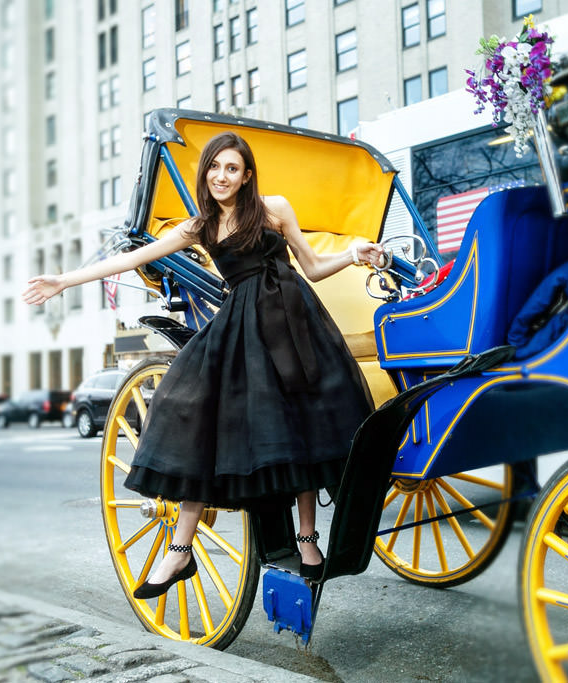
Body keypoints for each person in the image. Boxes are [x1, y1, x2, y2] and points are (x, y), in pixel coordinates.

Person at [23, 131, 384, 598]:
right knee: (201, 418)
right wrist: (64, 280)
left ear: (247, 175)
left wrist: (354, 254)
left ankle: (308, 537)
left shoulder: (275, 209)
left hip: (296, 322)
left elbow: (311, 267)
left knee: (305, 425)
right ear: (205, 172)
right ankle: (181, 550)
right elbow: (131, 258)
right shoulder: (199, 227)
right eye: (215, 167)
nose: (222, 175)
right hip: (243, 329)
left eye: (232, 168)